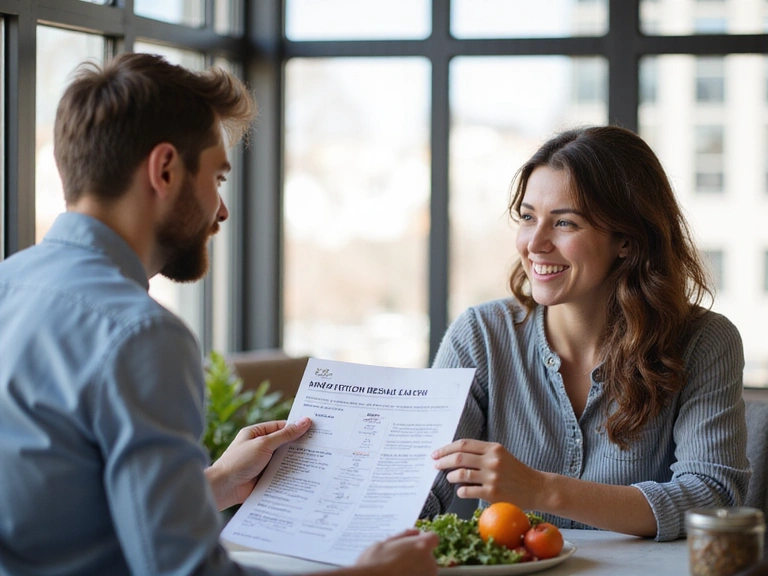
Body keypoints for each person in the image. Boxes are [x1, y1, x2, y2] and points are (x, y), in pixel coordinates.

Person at [0, 52, 438, 576]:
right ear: (164, 169)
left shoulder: (11, 288)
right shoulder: (140, 335)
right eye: (218, 178)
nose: (221, 210)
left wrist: (216, 482)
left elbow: (52, 517)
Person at [423, 125, 751, 542]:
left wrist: (541, 490)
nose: (534, 244)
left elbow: (713, 498)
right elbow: (421, 485)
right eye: (527, 217)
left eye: (564, 223)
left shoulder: (705, 342)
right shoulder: (479, 335)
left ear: (627, 241)